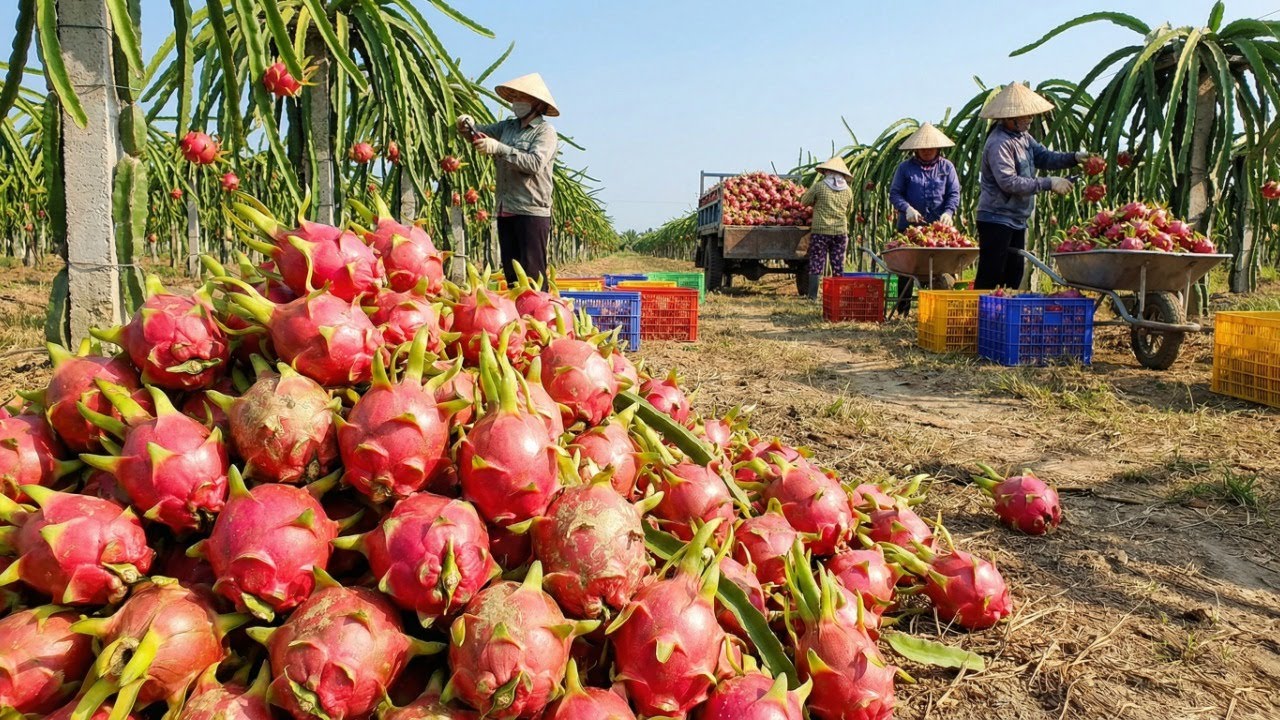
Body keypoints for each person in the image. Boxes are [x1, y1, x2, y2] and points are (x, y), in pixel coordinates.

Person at [975, 82, 1090, 290]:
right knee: (991, 276)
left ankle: (1002, 320)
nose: (1030, 119)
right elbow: (1008, 182)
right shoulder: (999, 143)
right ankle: (981, 320)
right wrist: (1049, 183)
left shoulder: (1023, 138)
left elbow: (1045, 157)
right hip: (996, 218)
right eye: (1026, 116)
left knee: (1013, 277)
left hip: (1017, 218)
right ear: (1011, 118)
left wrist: (1074, 158)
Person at [456, 73, 559, 284]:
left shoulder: (545, 132)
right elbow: (479, 134)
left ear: (537, 104)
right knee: (511, 273)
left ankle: (539, 313)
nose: (516, 102)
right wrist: (467, 126)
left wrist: (499, 148)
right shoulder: (507, 127)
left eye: (523, 97)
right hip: (505, 209)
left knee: (533, 274)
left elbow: (534, 164)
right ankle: (518, 314)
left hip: (531, 210)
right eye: (515, 97)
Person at [888, 122, 961, 313]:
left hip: (938, 230)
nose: (927, 151)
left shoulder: (947, 168)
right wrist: (907, 209)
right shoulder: (905, 168)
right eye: (923, 147)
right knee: (907, 269)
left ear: (938, 147)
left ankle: (939, 311)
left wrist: (949, 212)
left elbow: (954, 193)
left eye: (931, 147)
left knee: (942, 267)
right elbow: (895, 193)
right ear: (916, 148)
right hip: (910, 228)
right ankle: (902, 309)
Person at [799, 157, 854, 300]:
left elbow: (804, 202)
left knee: (816, 263)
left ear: (828, 171)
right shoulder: (848, 190)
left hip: (821, 231)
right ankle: (838, 297)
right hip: (841, 232)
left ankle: (812, 297)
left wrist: (816, 204)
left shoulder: (820, 186)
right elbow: (849, 210)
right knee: (838, 264)